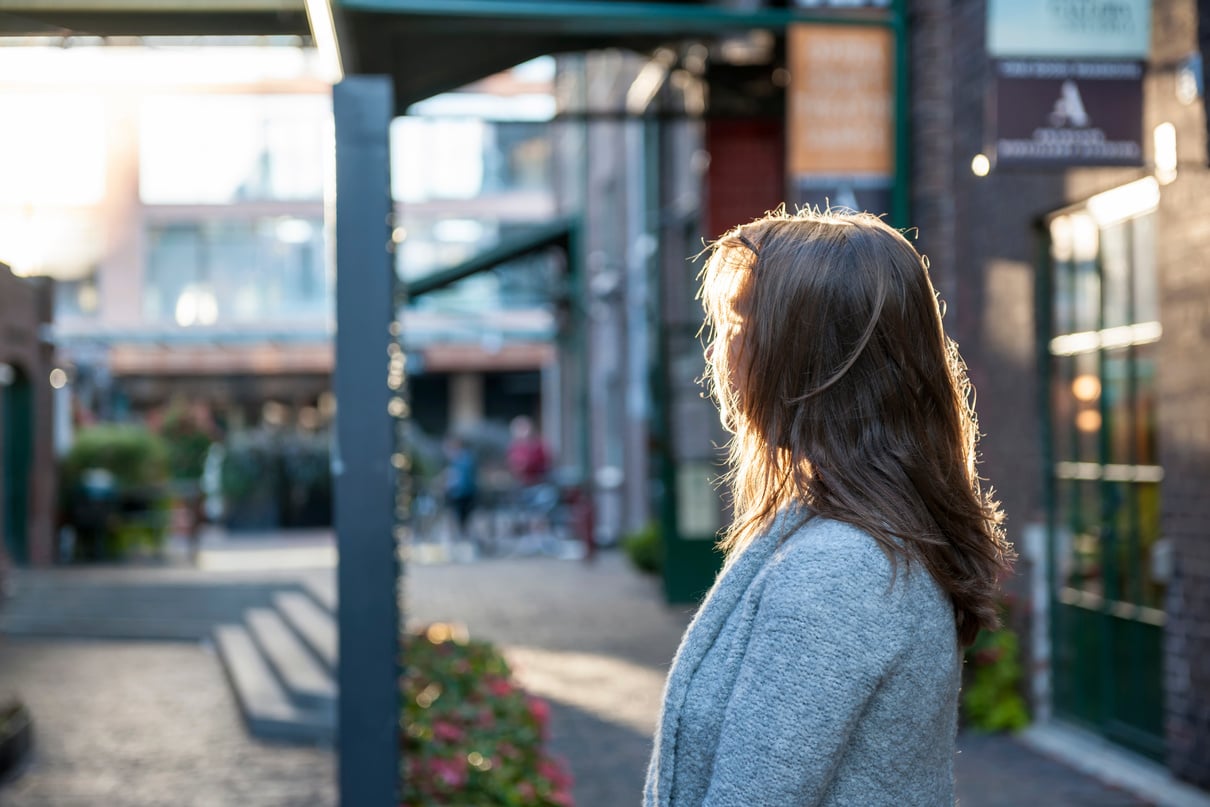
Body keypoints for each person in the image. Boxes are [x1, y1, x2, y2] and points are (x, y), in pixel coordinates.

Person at [644, 209, 1014, 807]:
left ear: (806, 356)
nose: (718, 352)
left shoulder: (841, 569)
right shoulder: (859, 538)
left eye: (739, 322)